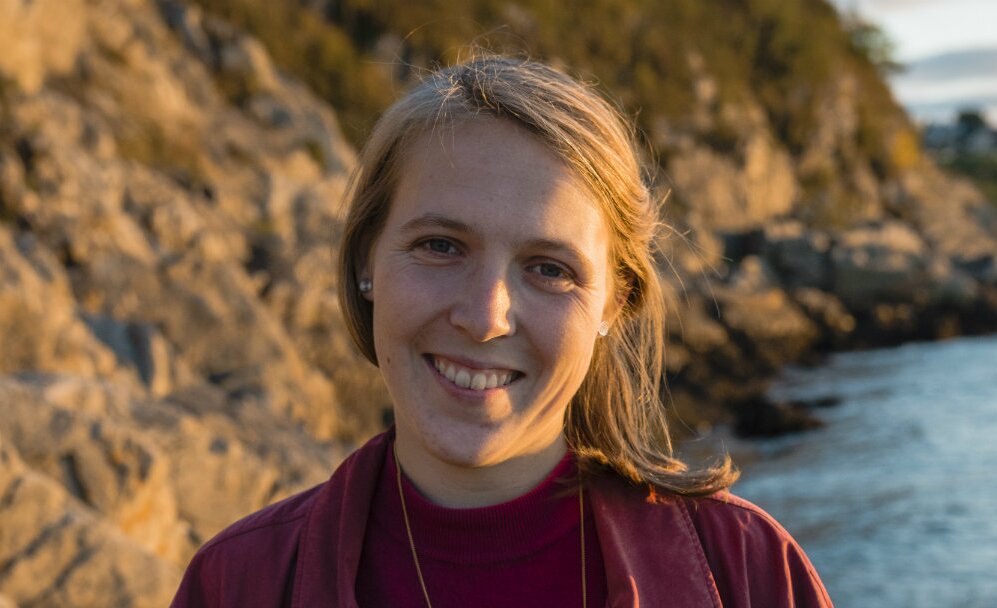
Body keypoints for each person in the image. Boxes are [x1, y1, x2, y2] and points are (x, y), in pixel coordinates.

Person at [171, 56, 833, 607]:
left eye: (549, 269)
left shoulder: (746, 573)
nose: (485, 316)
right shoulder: (238, 583)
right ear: (367, 260)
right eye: (439, 246)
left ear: (614, 301)